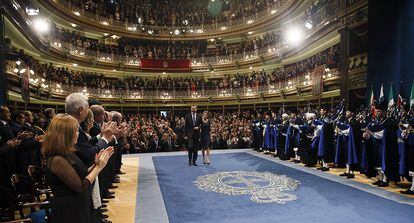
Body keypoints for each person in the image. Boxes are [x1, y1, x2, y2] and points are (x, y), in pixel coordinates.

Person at [43, 113, 114, 223]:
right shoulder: (57, 159)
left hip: (79, 205)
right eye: (75, 131)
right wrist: (98, 168)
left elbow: (82, 173)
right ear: (66, 134)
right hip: (69, 210)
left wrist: (96, 164)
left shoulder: (68, 152)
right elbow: (81, 187)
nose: (77, 134)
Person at [0, 105, 21, 209]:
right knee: (6, 188)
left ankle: (13, 206)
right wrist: (10, 145)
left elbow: (10, 140)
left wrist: (17, 139)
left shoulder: (6, 124)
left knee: (11, 186)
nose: (9, 114)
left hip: (11, 161)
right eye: (7, 112)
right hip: (3, 164)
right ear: (1, 114)